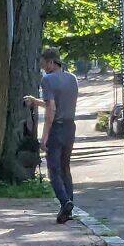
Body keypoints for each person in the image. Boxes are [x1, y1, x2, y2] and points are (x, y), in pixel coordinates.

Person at [23, 47, 78, 224]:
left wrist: (44, 137)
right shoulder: (72, 79)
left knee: (53, 170)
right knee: (65, 168)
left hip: (56, 128)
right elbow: (53, 104)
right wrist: (35, 101)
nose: (43, 67)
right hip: (70, 126)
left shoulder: (48, 80)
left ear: (51, 62)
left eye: (44, 64)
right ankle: (69, 207)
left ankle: (64, 201)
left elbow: (51, 110)